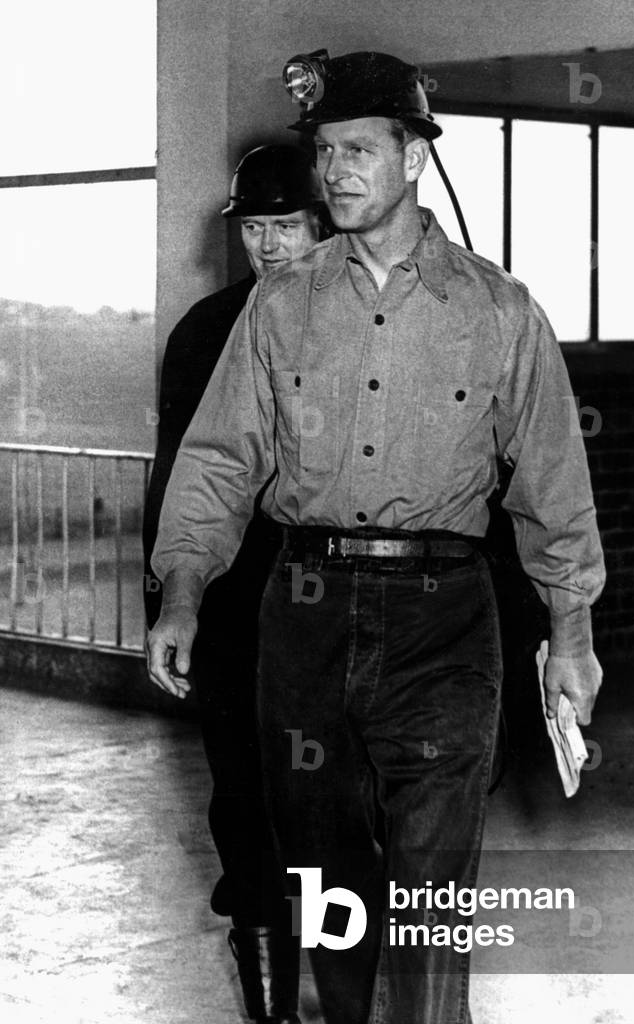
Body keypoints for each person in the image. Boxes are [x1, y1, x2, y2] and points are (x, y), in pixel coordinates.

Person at [147, 50, 605, 1024]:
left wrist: (570, 634)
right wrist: (184, 588)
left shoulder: (497, 312)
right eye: (327, 152)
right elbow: (222, 459)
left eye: (360, 148)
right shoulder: (280, 305)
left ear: (415, 159)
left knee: (433, 882)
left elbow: (553, 489)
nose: (338, 170)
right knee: (328, 883)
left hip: (445, 621)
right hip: (304, 619)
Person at [142, 144, 326, 1024]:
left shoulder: (369, 329)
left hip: (343, 612)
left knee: (339, 803)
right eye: (254, 227)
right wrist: (171, 603)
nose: (268, 244)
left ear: (324, 224)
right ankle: (268, 999)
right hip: (232, 609)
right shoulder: (205, 331)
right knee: (245, 800)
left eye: (284, 224)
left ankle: (349, 970)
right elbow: (174, 476)